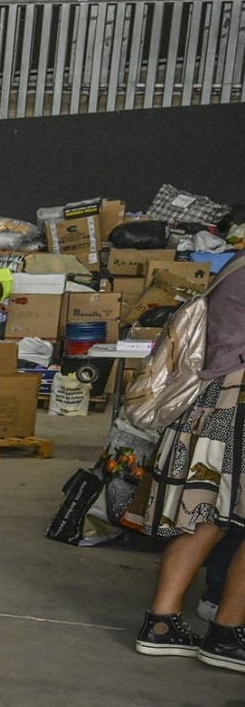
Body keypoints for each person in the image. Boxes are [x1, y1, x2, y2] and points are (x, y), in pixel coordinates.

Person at [133, 255, 245, 671]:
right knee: (220, 517)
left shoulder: (237, 265)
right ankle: (227, 633)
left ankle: (161, 624)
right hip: (236, 406)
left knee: (204, 515)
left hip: (213, 404)